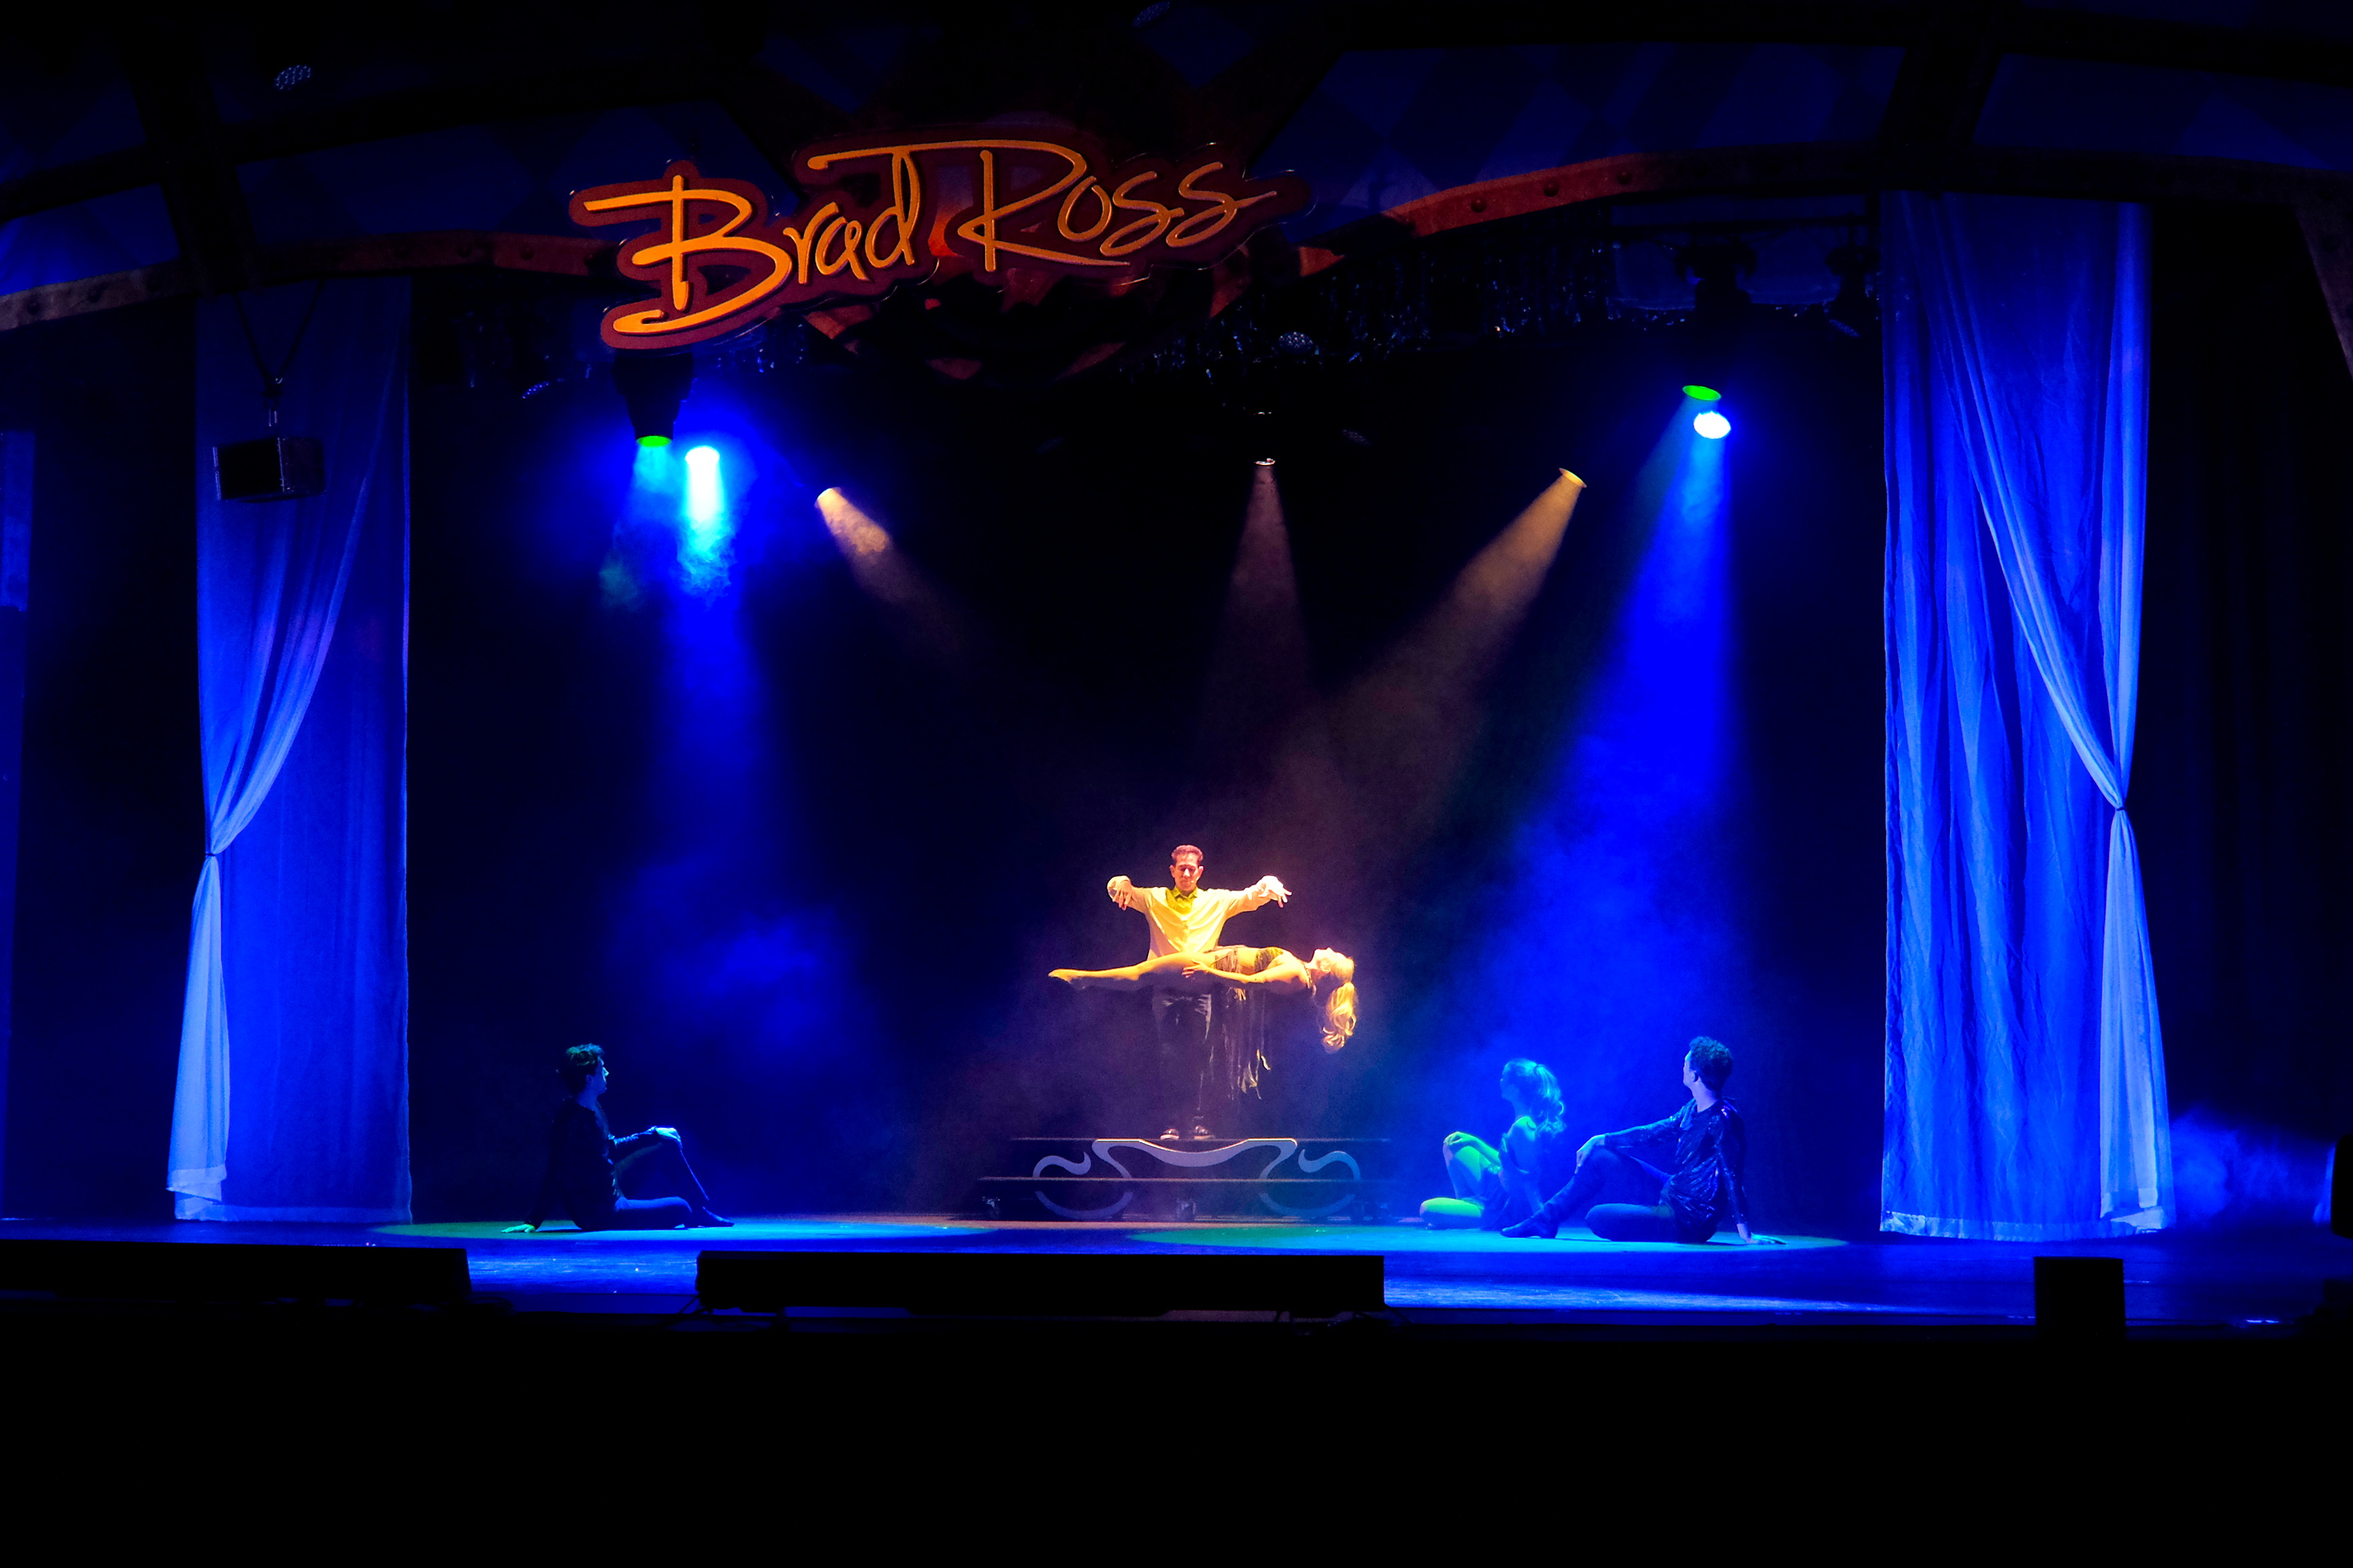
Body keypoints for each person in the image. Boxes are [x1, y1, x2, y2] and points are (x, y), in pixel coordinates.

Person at [1096, 845, 1289, 1140]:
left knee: (1201, 1055)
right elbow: (1118, 889)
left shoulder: (1216, 900)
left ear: (1200, 872)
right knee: (1169, 1054)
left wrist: (1268, 883)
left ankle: (1198, 1121)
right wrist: (1120, 882)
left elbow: (1251, 897)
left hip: (1201, 987)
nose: (1186, 873)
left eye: (1192, 869)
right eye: (1181, 868)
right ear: (1172, 870)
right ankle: (1172, 1122)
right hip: (1166, 987)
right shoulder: (1154, 897)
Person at [1501, 1037, 1769, 1244]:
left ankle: (1547, 1220)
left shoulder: (1724, 1119)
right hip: (1674, 1189)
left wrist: (1746, 1234)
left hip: (1688, 1218)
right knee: (1600, 1156)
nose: (1683, 1066)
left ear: (1696, 1076)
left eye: (1686, 1063)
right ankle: (1545, 1220)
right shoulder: (1692, 1108)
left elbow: (1732, 1176)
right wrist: (1602, 1139)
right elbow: (1650, 1134)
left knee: (1597, 1218)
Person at [1053, 945, 1358, 1125]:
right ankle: (1085, 979)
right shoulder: (1299, 969)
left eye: (1334, 953)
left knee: (1142, 974)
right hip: (1213, 962)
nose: (1329, 948)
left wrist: (1211, 974)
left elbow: (1252, 981)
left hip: (1210, 968)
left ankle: (1084, 979)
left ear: (1326, 969)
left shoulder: (1296, 977)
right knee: (1143, 974)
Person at [504, 1044, 732, 1233]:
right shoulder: (570, 1119)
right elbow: (555, 1170)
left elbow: (609, 1148)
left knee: (665, 1143)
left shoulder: (594, 1106)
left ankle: (700, 1211)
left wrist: (651, 1133)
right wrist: (534, 1220)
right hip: (601, 1212)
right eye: (602, 1069)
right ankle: (693, 1212)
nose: (607, 1073)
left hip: (610, 1183)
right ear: (589, 1079)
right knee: (682, 1208)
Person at [1420, 1058, 1573, 1231]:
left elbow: (1529, 1180)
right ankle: (1462, 1207)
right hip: (1496, 1187)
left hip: (1504, 1207)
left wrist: (1541, 1218)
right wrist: (1475, 1142)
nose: (1500, 1081)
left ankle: (1465, 1216)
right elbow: (1509, 1163)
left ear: (1514, 1089)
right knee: (1454, 1144)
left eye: (1503, 1077)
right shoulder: (1523, 1121)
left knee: (1427, 1209)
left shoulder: (1523, 1128)